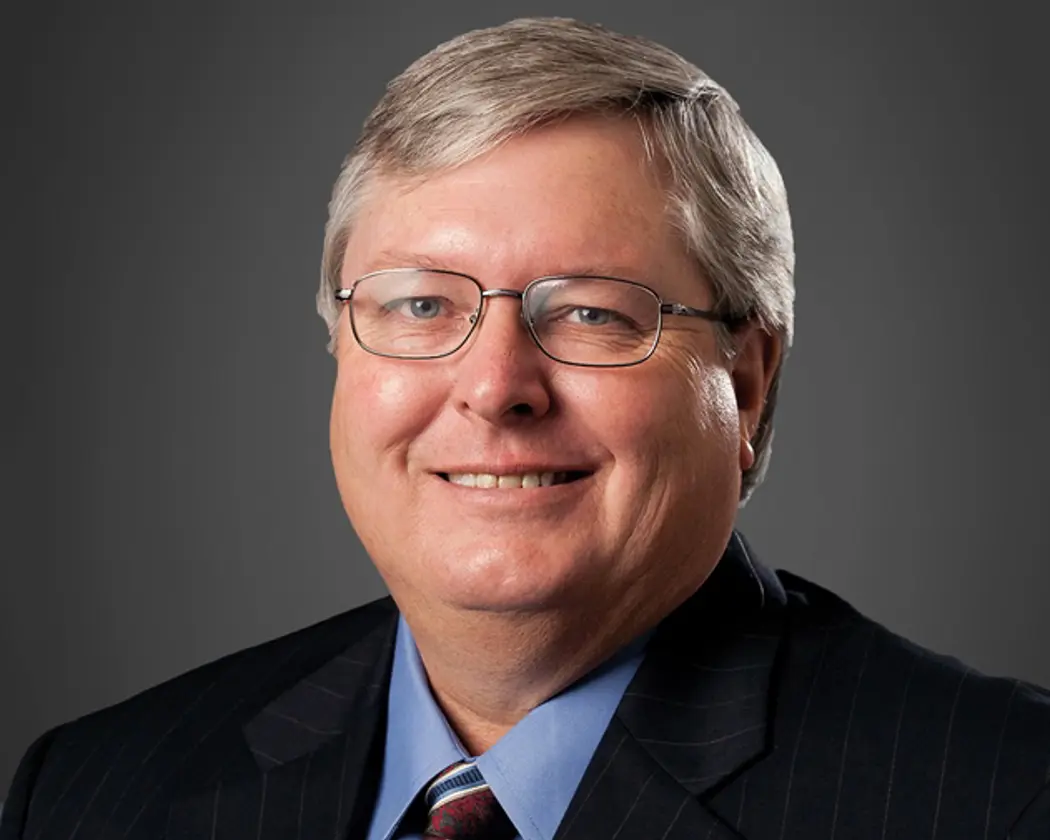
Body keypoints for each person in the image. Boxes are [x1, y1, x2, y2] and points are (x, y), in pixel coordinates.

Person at [2, 16, 1048, 840]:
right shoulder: (95, 792)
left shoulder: (1002, 797)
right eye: (421, 305)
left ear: (747, 380)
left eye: (591, 313)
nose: (496, 386)